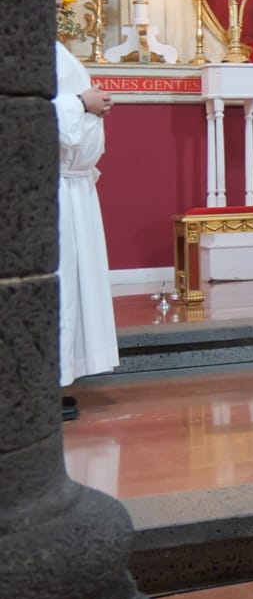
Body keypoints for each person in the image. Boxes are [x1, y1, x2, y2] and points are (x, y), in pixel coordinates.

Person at [55, 42, 117, 417]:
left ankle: (57, 376)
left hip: (73, 183)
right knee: (58, 287)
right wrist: (80, 103)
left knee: (71, 287)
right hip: (52, 184)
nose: (60, 0)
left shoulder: (55, 46)